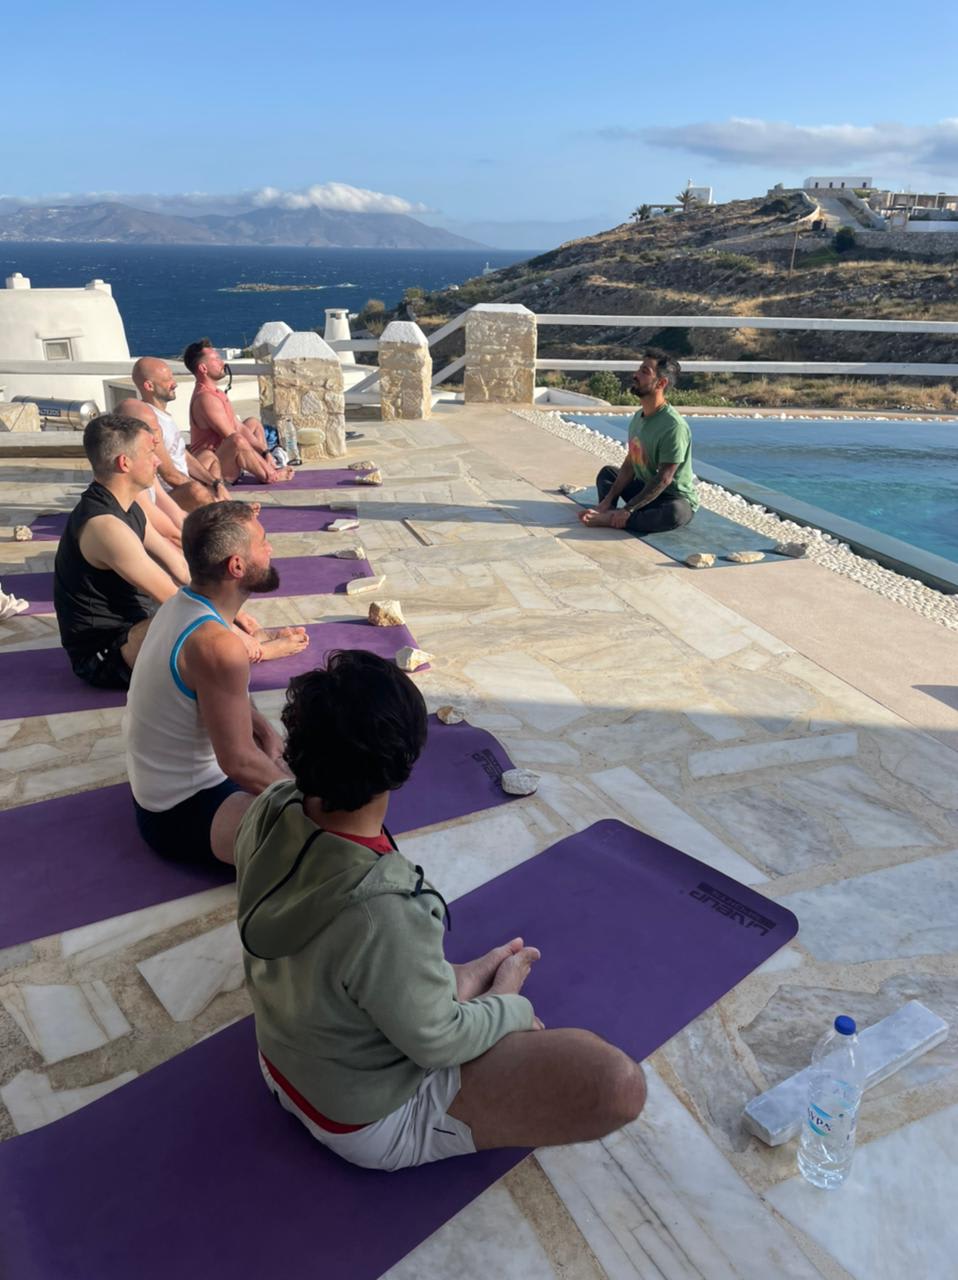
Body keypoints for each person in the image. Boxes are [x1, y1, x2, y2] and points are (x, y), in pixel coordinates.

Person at [235, 650, 646, 1172]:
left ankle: (455, 984)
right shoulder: (383, 909)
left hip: (284, 1061)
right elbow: (437, 1043)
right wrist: (509, 1007)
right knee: (615, 1083)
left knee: (397, 976)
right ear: (405, 763)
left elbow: (345, 956)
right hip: (363, 1119)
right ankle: (475, 993)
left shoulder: (268, 808)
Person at [125, 501, 305, 865]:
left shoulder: (183, 605)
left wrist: (269, 738)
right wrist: (306, 806)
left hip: (166, 788)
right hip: (179, 811)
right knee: (316, 839)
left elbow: (231, 698)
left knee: (311, 765)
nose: (270, 548)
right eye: (263, 541)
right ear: (236, 566)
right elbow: (237, 761)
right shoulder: (217, 645)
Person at [54, 413, 189, 689]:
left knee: (200, 606)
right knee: (182, 619)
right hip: (102, 656)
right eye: (150, 453)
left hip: (134, 627)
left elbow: (179, 566)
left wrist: (235, 614)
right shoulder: (104, 526)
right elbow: (173, 598)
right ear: (124, 462)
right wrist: (247, 642)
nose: (158, 461)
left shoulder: (130, 507)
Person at [579, 349, 698, 534]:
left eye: (644, 372)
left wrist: (628, 508)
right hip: (645, 489)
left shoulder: (673, 426)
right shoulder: (638, 416)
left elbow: (664, 478)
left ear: (661, 383)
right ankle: (611, 511)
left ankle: (614, 519)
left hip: (670, 497)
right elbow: (630, 463)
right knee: (608, 474)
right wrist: (608, 500)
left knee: (676, 513)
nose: (635, 375)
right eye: (639, 370)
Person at [183, 338, 292, 484]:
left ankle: (266, 465)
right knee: (236, 440)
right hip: (211, 467)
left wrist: (265, 452)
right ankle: (269, 474)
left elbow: (238, 426)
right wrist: (262, 460)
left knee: (253, 423)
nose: (222, 363)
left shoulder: (216, 392)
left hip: (223, 456)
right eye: (216, 359)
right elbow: (232, 436)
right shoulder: (205, 399)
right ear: (203, 368)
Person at [131, 358, 228, 510]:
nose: (174, 383)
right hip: (167, 493)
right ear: (149, 386)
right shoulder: (150, 420)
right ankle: (221, 508)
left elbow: (182, 454)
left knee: (209, 457)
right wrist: (204, 489)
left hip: (183, 480)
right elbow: (169, 475)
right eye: (167, 380)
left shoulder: (164, 416)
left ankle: (217, 501)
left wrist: (215, 483)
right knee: (197, 491)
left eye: (172, 377)